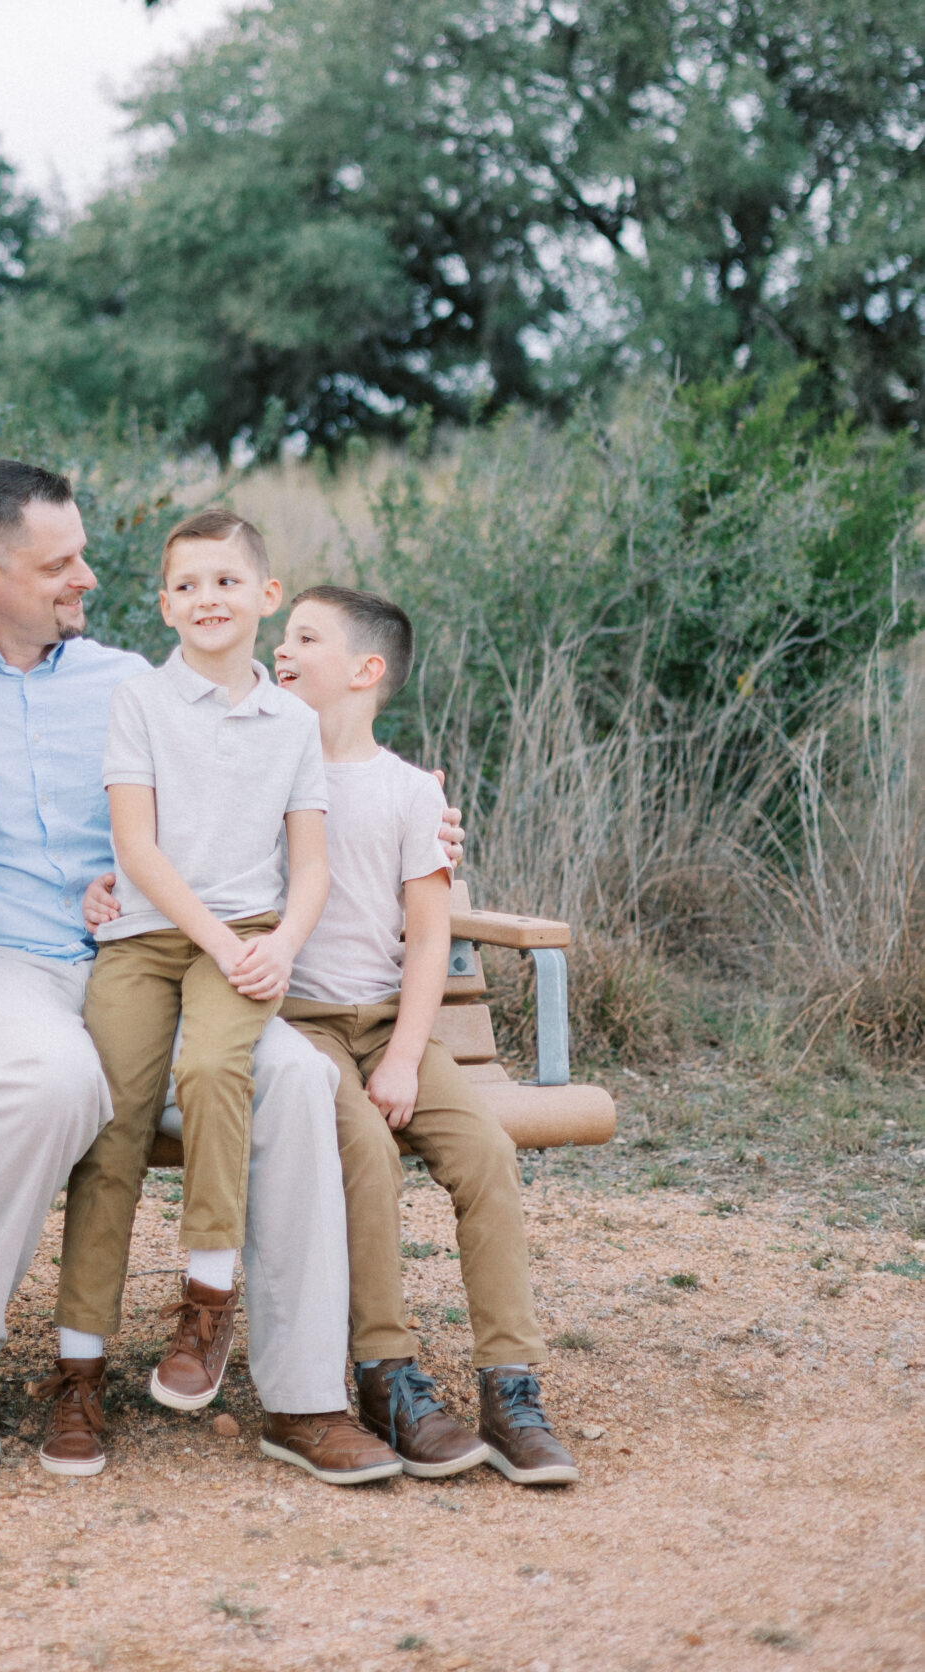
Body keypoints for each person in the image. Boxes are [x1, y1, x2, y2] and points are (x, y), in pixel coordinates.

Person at [0, 460, 462, 1487]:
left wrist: (423, 814)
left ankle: (304, 1399)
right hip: (16, 959)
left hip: (172, 948)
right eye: (61, 562)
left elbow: (299, 733)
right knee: (55, 1082)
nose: (87, 579)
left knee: (295, 1079)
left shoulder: (131, 679)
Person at [45, 508, 345, 1476]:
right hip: (145, 937)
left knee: (218, 1066)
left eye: (226, 581)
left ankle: (207, 1301)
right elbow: (136, 846)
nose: (206, 598)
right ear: (164, 603)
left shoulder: (294, 721)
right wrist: (214, 937)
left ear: (265, 597)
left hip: (248, 940)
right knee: (115, 1121)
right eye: (187, 584)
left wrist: (282, 943)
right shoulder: (140, 699)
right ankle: (77, 1369)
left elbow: (310, 863)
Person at [273, 585, 580, 1487]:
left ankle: (510, 1384)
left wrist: (406, 1055)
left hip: (389, 1025)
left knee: (483, 1150)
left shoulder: (412, 794)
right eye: (279, 636)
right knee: (363, 1145)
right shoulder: (266, 765)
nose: (280, 650)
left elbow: (429, 935)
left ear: (366, 672)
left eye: (304, 637)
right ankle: (386, 1373)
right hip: (301, 1026)